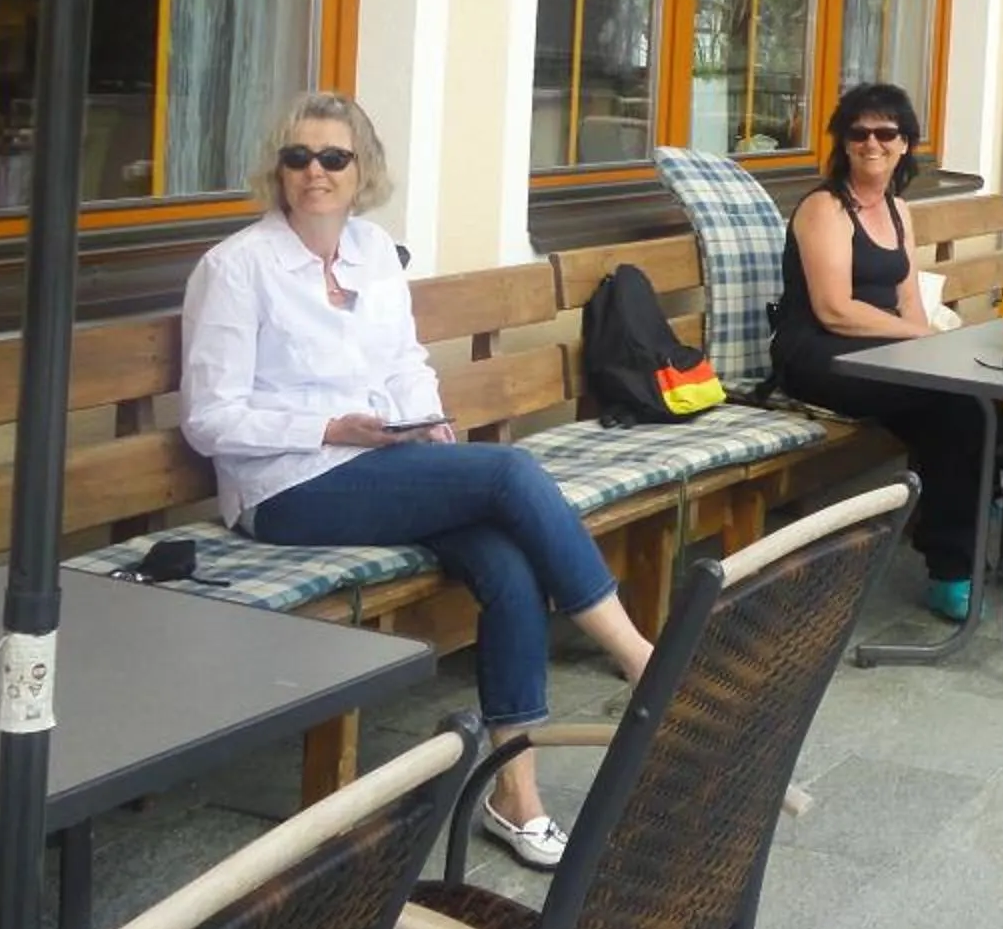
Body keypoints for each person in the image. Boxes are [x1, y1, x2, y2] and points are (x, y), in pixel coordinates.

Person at [182, 91, 653, 871]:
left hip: (382, 464)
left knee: (507, 564)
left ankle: (516, 796)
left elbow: (403, 361)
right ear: (279, 170)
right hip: (288, 486)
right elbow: (209, 418)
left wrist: (427, 423)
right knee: (509, 471)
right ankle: (642, 660)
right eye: (298, 157)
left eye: (333, 157)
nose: (315, 171)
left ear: (361, 169)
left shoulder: (372, 250)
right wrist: (332, 429)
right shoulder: (236, 269)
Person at [774, 81, 990, 622]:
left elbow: (908, 300)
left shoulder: (897, 209)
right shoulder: (825, 208)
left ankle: (986, 508)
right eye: (858, 133)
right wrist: (922, 342)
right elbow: (834, 310)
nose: (872, 143)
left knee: (973, 396)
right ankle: (954, 566)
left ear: (905, 143)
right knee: (956, 409)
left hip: (880, 351)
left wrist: (933, 349)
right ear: (843, 143)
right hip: (819, 355)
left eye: (886, 133)